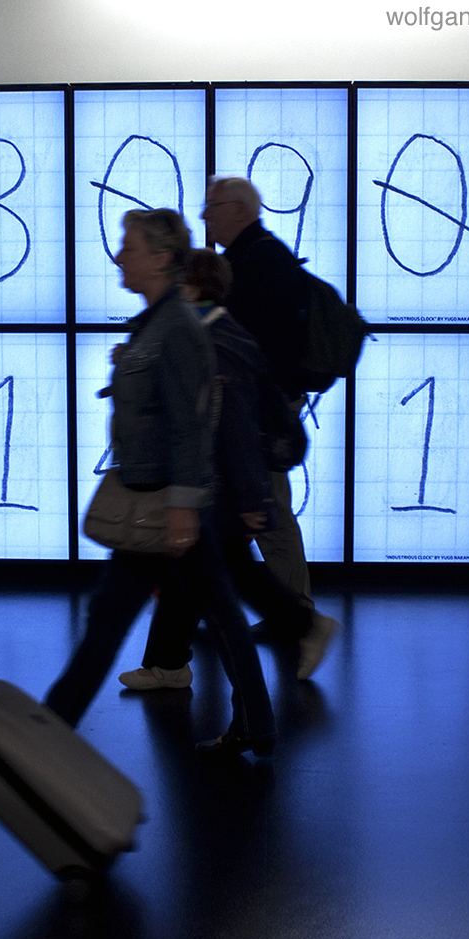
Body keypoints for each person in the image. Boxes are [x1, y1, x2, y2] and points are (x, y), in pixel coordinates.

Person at [44, 208, 275, 756]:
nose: (119, 256)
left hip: (163, 508)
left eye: (129, 247)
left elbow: (191, 425)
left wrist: (181, 509)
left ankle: (50, 730)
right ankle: (258, 725)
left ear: (162, 257)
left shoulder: (176, 329)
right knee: (211, 612)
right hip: (159, 505)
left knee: (113, 622)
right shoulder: (157, 324)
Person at [116, 249, 338, 693]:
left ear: (192, 286)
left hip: (218, 482)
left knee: (225, 567)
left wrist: (253, 498)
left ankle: (304, 626)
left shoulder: (217, 341)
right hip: (210, 479)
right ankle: (168, 662)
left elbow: (237, 428)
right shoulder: (211, 332)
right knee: (194, 565)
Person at [201, 176, 318, 622]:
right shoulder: (261, 256)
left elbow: (249, 346)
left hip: (256, 410)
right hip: (263, 405)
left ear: (241, 210)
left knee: (265, 510)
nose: (204, 214)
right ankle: (287, 610)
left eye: (213, 206)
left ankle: (298, 616)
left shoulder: (255, 264)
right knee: (254, 510)